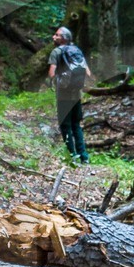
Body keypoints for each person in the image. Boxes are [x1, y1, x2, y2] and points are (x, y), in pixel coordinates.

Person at [48, 25, 92, 165]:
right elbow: (88, 73)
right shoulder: (76, 50)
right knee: (76, 125)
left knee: (65, 125)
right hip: (76, 94)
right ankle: (84, 157)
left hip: (63, 94)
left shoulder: (56, 52)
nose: (54, 37)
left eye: (57, 35)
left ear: (63, 38)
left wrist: (58, 81)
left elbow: (52, 73)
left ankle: (72, 156)